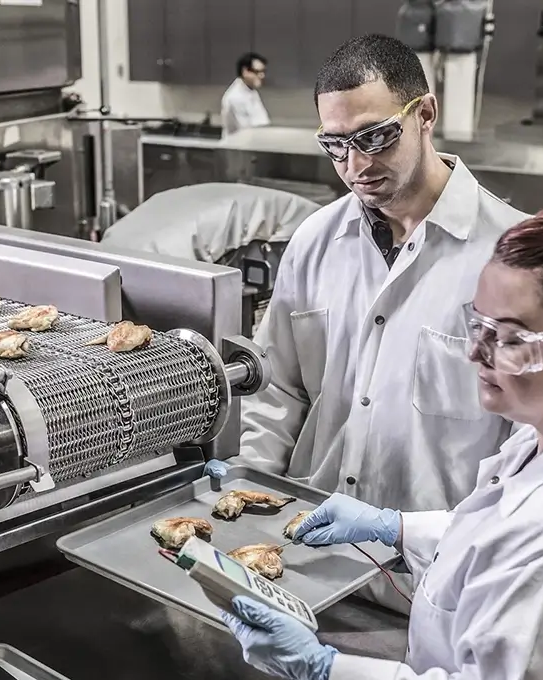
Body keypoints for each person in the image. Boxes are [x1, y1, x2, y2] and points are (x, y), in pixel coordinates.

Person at [220, 204, 543, 680]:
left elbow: (525, 556)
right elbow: (496, 534)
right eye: (478, 324)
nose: (474, 352)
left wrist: (323, 668)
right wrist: (395, 527)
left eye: (511, 338)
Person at [209, 35, 526, 523]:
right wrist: (249, 495)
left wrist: (420, 537)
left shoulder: (512, 254)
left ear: (425, 114)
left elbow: (525, 440)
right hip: (306, 537)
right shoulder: (315, 242)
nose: (355, 166)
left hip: (433, 571)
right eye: (335, 145)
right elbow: (280, 393)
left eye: (374, 137)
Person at [220, 52, 270, 138]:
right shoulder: (235, 97)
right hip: (239, 147)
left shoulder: (251, 90)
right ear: (245, 71)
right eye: (257, 72)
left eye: (263, 71)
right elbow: (247, 132)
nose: (262, 75)